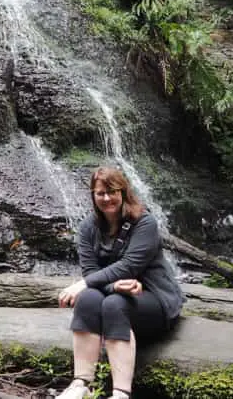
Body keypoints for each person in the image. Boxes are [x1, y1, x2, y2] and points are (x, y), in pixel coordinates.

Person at [55, 166, 184, 399]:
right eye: (100, 193)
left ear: (123, 192)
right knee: (88, 299)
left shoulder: (145, 223)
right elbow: (92, 272)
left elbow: (130, 266)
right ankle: (80, 384)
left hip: (155, 298)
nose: (107, 198)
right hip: (113, 294)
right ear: (93, 196)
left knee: (114, 304)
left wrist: (84, 283)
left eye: (112, 191)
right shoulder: (87, 228)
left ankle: (121, 393)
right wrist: (112, 286)